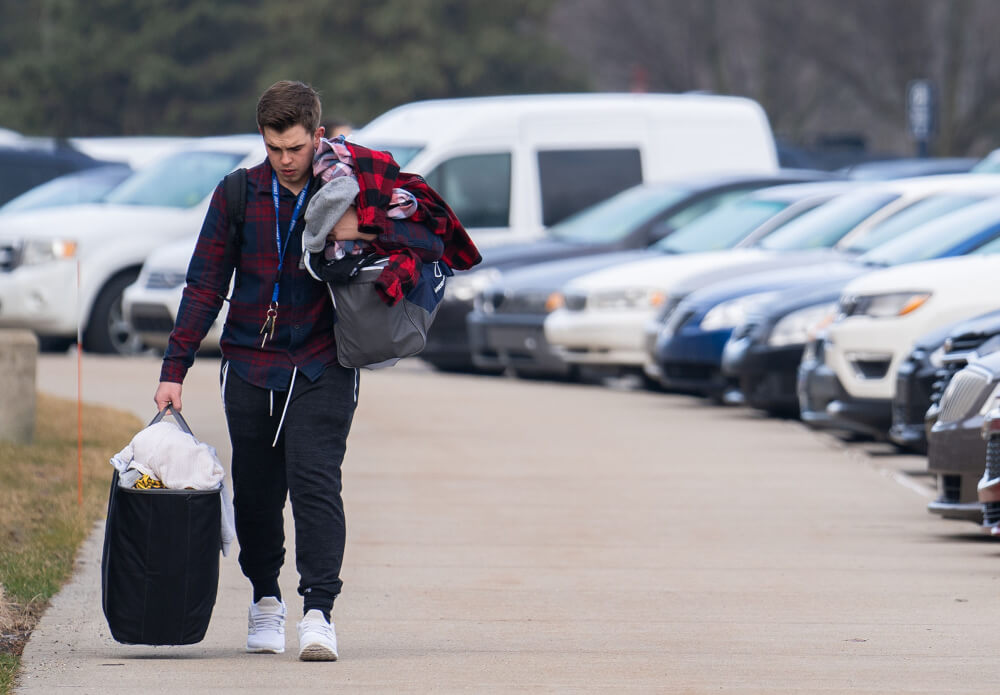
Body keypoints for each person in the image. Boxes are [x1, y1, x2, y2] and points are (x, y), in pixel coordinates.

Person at [153, 80, 475, 662]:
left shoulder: (350, 187)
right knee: (256, 494)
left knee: (316, 484)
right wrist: (174, 369)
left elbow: (432, 232)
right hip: (250, 362)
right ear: (263, 140)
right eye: (274, 148)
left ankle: (319, 611)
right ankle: (265, 598)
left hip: (324, 361)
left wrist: (366, 229)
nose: (285, 161)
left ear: (317, 136)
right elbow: (204, 284)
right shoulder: (235, 194)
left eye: (295, 148)